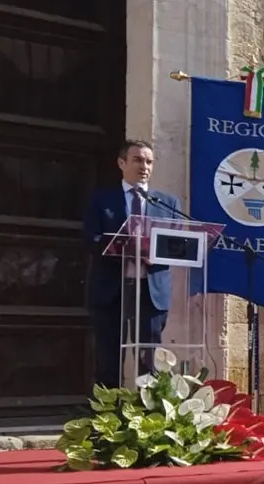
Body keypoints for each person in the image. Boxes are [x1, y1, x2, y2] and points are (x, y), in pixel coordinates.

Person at [83, 139, 181, 388]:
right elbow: (91, 238)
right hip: (112, 289)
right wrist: (123, 247)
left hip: (150, 291)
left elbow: (178, 244)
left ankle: (146, 411)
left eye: (149, 162)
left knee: (149, 362)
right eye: (137, 160)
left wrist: (155, 250)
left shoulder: (167, 203)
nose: (144, 167)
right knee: (108, 360)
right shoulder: (102, 199)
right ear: (121, 163)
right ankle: (108, 410)